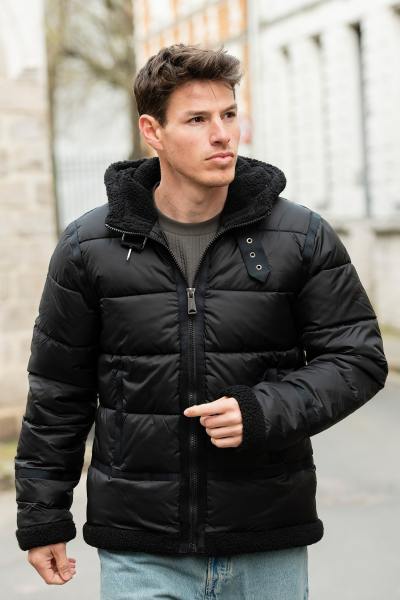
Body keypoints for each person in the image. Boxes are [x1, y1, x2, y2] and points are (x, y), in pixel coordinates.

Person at [14, 43, 388, 599]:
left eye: (229, 114)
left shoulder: (300, 236)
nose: (222, 135)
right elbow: (58, 391)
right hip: (141, 548)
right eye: (197, 119)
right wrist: (43, 515)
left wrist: (261, 411)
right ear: (153, 131)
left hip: (265, 539)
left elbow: (358, 359)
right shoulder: (88, 247)